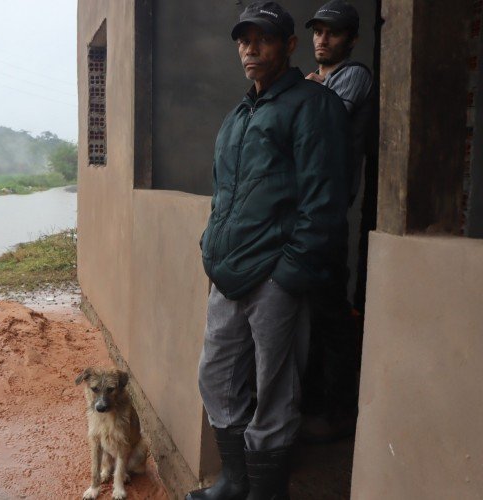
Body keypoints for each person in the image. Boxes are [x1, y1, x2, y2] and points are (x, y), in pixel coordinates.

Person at [186, 2, 350, 499]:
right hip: (228, 274)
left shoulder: (313, 105)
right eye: (243, 39)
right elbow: (225, 193)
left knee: (275, 393)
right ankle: (236, 480)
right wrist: (210, 249)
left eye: (262, 39)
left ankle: (265, 491)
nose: (249, 49)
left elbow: (325, 201)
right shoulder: (239, 114)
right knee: (215, 377)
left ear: (289, 46)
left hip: (275, 277)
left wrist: (288, 273)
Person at [299, 0, 374, 444]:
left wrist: (308, 92)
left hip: (329, 212)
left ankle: (339, 412)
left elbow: (321, 119)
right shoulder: (318, 83)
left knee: (331, 315)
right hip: (306, 211)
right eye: (318, 32)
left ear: (351, 39)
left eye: (333, 33)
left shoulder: (355, 75)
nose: (322, 40)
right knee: (311, 314)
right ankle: (312, 404)